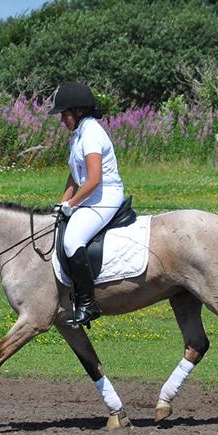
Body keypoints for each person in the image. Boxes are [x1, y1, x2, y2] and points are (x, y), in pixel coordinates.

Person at [49, 81, 125, 328]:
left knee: (72, 241)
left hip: (105, 196)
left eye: (64, 114)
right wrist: (62, 204)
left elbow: (93, 179)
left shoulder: (92, 134)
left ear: (78, 112)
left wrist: (72, 204)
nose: (62, 120)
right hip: (90, 195)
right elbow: (75, 175)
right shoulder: (77, 135)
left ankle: (87, 303)